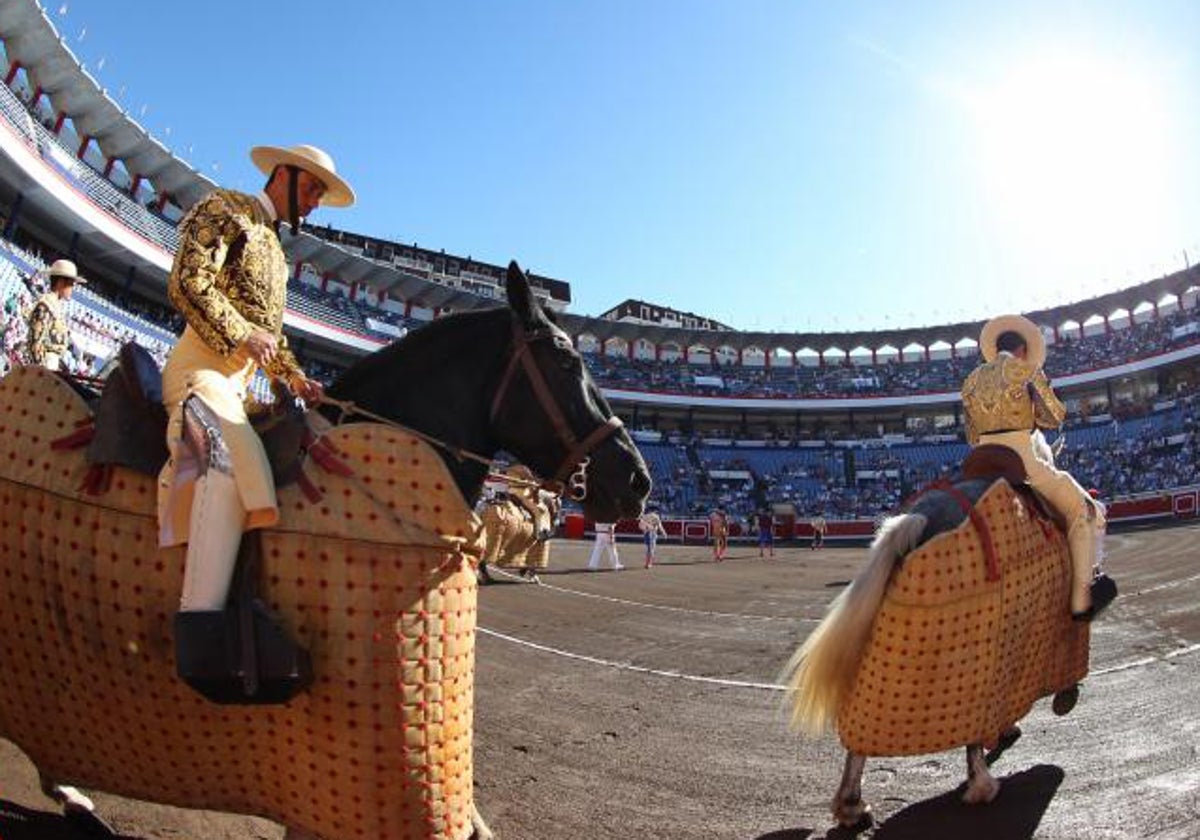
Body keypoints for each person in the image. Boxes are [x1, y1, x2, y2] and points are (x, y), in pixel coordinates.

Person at [157, 144, 354, 664]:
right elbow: (186, 281)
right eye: (311, 188)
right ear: (283, 176)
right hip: (200, 372)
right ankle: (199, 631)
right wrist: (244, 332)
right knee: (221, 461)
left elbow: (272, 341)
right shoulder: (224, 208)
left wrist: (297, 378)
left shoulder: (276, 255)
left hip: (241, 388)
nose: (313, 203)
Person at [961, 314, 1105, 620]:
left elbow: (971, 435)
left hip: (979, 460)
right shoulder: (1025, 370)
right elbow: (1055, 417)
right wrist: (1036, 390)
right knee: (1085, 510)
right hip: (1022, 459)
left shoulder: (970, 381)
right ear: (1023, 350)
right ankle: (1081, 599)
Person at [26, 259, 85, 371]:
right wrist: (42, 373)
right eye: (71, 284)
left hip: (53, 364)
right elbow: (35, 343)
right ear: (61, 282)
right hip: (45, 366)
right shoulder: (45, 305)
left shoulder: (56, 306)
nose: (73, 289)